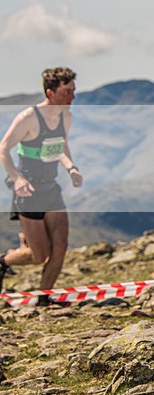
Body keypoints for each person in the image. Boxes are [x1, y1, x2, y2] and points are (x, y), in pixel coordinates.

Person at [0, 68, 83, 305]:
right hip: (29, 193)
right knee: (38, 255)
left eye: (74, 91)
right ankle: (4, 261)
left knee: (61, 246)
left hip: (51, 190)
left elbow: (61, 147)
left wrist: (71, 168)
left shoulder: (66, 117)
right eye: (67, 92)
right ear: (50, 92)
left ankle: (43, 298)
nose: (73, 97)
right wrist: (17, 178)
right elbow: (3, 149)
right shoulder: (28, 118)